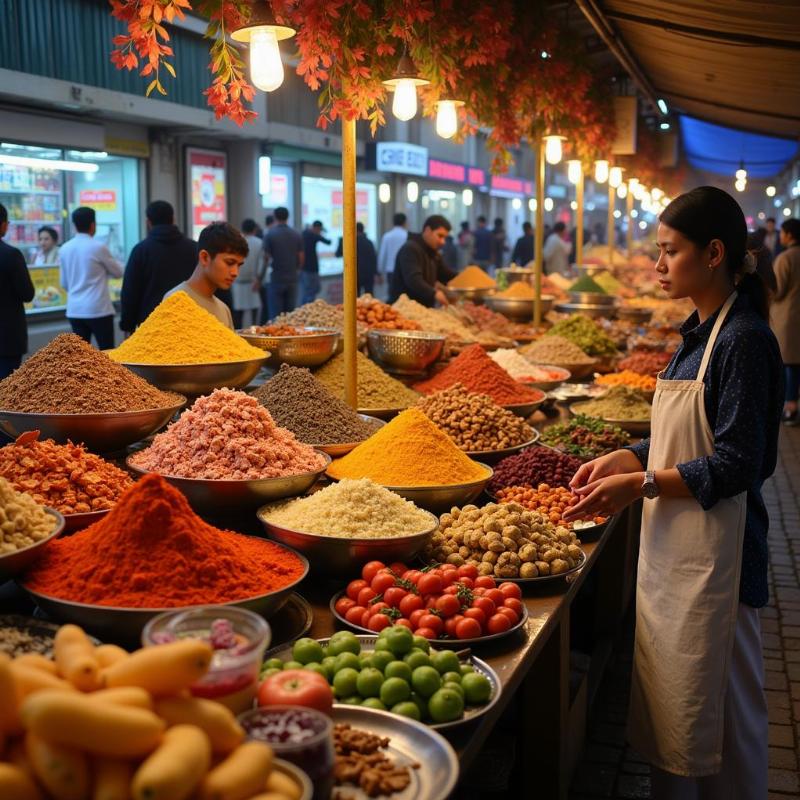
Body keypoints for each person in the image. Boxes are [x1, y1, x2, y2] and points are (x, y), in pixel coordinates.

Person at [565, 186, 781, 800]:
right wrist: (630, 454)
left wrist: (642, 484)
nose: (656, 265)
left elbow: (743, 461)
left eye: (668, 252)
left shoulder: (742, 339)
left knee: (725, 728)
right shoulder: (699, 331)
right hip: (675, 556)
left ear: (713, 254)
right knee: (678, 714)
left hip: (723, 563)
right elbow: (688, 436)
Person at [119, 200, 197, 334]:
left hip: (152, 325)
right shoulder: (194, 248)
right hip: (189, 322)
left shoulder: (141, 251)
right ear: (173, 219)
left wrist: (127, 325)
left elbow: (130, 291)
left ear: (148, 222)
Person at [58, 206, 124, 350]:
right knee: (106, 354)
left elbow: (63, 283)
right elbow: (119, 272)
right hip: (98, 309)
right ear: (93, 225)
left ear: (74, 225)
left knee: (82, 357)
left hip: (75, 310)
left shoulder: (64, 248)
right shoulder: (98, 247)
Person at [165, 222, 247, 329]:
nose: (235, 272)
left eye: (239, 265)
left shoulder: (223, 310)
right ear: (204, 258)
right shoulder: (175, 302)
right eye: (229, 263)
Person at [389, 215, 457, 308]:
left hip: (423, 307)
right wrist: (434, 293)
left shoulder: (433, 252)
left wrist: (464, 277)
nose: (443, 242)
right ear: (428, 230)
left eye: (444, 238)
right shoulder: (410, 249)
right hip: (404, 309)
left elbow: (444, 274)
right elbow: (414, 280)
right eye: (440, 236)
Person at [770, 217, 800, 425]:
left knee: (788, 364)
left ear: (789, 235)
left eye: (782, 232)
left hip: (788, 318)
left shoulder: (785, 258)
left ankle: (790, 407)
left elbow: (777, 291)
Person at [0, 203, 35, 380]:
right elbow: (27, 294)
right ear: (4, 224)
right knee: (6, 391)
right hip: (6, 337)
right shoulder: (10, 255)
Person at [263, 207, 303, 318]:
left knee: (275, 315)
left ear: (275, 217)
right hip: (292, 278)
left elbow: (266, 257)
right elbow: (301, 257)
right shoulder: (296, 234)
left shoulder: (270, 234)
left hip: (276, 278)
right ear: (288, 217)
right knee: (289, 315)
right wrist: (297, 270)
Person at [231, 218, 263, 329]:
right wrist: (258, 279)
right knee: (254, 313)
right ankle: (255, 334)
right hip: (253, 282)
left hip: (237, 280)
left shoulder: (236, 242)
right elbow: (261, 262)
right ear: (254, 229)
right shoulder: (259, 242)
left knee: (238, 313)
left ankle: (237, 334)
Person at [300, 220, 332, 305]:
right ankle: (307, 310)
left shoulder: (304, 233)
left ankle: (306, 310)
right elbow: (328, 242)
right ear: (317, 228)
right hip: (310, 268)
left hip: (305, 268)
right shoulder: (313, 235)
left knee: (308, 291)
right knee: (311, 291)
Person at [377, 213, 408, 281]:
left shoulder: (387, 236)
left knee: (392, 291)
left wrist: (379, 271)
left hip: (390, 270)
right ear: (404, 222)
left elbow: (382, 255)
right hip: (404, 269)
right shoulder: (407, 236)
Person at [256, 214, 275, 324]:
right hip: (267, 276)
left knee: (264, 304)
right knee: (266, 304)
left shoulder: (263, 235)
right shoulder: (268, 236)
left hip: (263, 276)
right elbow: (264, 259)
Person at [356, 222, 378, 295]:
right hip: (368, 274)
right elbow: (373, 258)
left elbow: (338, 254)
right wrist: (377, 273)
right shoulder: (369, 242)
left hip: (354, 273)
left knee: (354, 298)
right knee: (369, 297)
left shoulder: (350, 243)